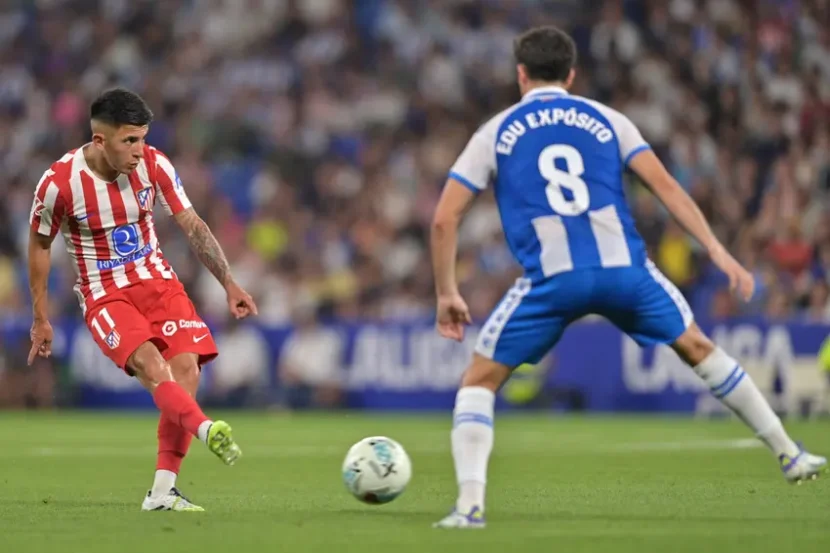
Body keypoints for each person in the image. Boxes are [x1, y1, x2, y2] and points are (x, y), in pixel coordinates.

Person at [430, 26, 826, 529]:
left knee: (479, 381)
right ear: (572, 75)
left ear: (520, 74)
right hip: (625, 271)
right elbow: (667, 188)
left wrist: (447, 292)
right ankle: (790, 455)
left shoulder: (494, 132)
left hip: (553, 279)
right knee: (699, 347)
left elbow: (445, 219)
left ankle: (469, 506)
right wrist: (718, 250)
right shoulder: (608, 119)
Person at [27, 88, 257, 512]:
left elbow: (191, 223)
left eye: (143, 139)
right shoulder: (59, 184)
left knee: (186, 369)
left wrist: (229, 282)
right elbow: (40, 246)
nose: (139, 150)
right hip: (104, 293)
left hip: (157, 281)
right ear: (100, 141)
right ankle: (207, 430)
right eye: (129, 141)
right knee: (153, 366)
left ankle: (162, 493)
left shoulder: (154, 164)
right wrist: (41, 317)